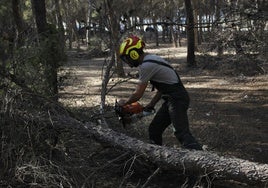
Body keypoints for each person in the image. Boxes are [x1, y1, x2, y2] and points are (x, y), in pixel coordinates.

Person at [118, 35, 202, 150]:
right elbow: (163, 87)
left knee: (182, 133)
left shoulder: (146, 66)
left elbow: (138, 94)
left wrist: (125, 103)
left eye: (126, 58)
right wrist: (151, 104)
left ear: (134, 54)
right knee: (154, 129)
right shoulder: (150, 59)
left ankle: (201, 160)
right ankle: (158, 157)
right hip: (172, 98)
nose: (127, 62)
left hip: (177, 99)